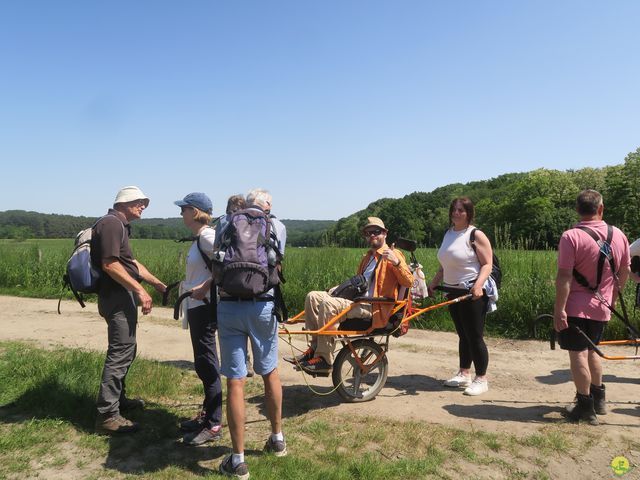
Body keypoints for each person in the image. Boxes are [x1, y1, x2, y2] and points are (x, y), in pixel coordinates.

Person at [216, 189, 287, 479]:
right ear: (267, 206)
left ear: (245, 204)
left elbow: (216, 261)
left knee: (235, 381)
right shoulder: (278, 226)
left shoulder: (225, 222)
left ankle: (238, 460)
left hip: (229, 306)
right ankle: (277, 438)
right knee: (270, 372)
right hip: (263, 306)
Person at [286, 217, 413, 374]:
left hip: (374, 307)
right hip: (358, 300)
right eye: (368, 233)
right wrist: (336, 290)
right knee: (312, 297)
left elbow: (409, 281)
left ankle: (324, 360)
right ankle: (314, 349)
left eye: (376, 232)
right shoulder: (367, 258)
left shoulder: (394, 254)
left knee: (329, 305)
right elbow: (358, 284)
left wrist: (397, 263)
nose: (372, 235)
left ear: (385, 233)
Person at [92, 186, 167, 434]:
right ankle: (108, 415)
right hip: (116, 297)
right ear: (123, 203)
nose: (143, 205)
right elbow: (110, 265)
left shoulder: (120, 224)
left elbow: (130, 263)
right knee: (120, 351)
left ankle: (118, 401)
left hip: (119, 296)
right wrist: (140, 290)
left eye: (144, 202)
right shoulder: (113, 224)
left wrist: (154, 282)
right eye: (138, 201)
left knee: (127, 349)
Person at [554, 189, 630, 425]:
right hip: (602, 306)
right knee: (593, 350)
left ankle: (584, 406)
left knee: (577, 355)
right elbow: (625, 271)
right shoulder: (619, 235)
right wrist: (614, 296)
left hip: (576, 307)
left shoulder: (571, 237)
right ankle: (599, 400)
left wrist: (559, 309)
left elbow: (564, 276)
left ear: (577, 209)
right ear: (601, 208)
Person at [427, 197, 495, 396]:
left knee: (475, 337)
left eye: (461, 210)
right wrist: (433, 283)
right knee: (463, 335)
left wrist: (478, 285)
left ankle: (481, 379)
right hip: (451, 291)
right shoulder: (448, 233)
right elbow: (444, 264)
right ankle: (464, 373)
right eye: (454, 210)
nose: (456, 213)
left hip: (472, 292)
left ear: (469, 213)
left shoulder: (475, 234)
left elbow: (487, 264)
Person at [174, 192, 223, 446]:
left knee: (207, 362)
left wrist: (205, 285)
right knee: (203, 362)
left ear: (195, 212)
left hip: (204, 306)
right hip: (197, 305)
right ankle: (207, 415)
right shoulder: (201, 237)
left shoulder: (207, 236)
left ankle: (214, 423)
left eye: (184, 209)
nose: (181, 213)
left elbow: (227, 263)